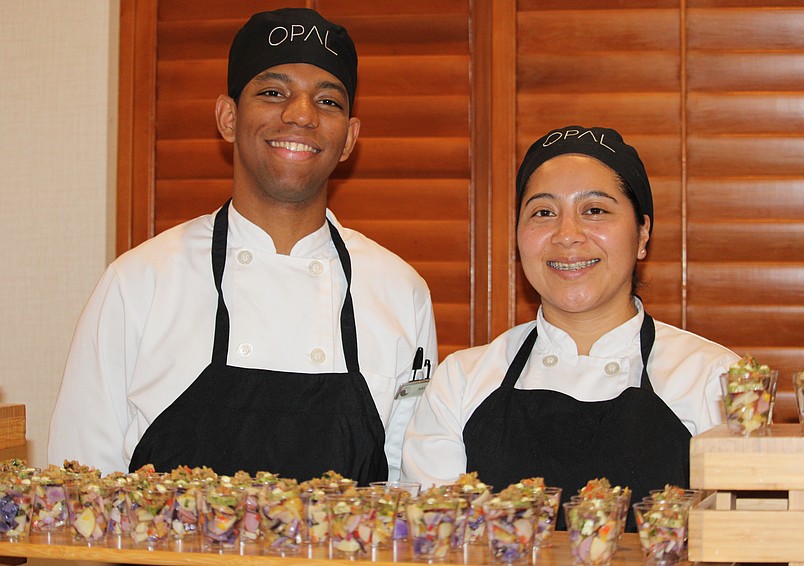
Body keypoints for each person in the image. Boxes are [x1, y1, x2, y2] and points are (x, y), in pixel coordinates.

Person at [48, 8, 437, 484]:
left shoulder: (400, 292)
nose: (301, 114)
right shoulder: (137, 284)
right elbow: (78, 494)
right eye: (273, 93)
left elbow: (410, 492)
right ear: (228, 118)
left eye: (328, 101)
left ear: (349, 138)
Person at [401, 125, 738, 528]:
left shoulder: (715, 380)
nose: (567, 235)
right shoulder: (461, 382)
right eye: (543, 213)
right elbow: (437, 542)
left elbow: (741, 538)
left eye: (595, 210)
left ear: (642, 233)